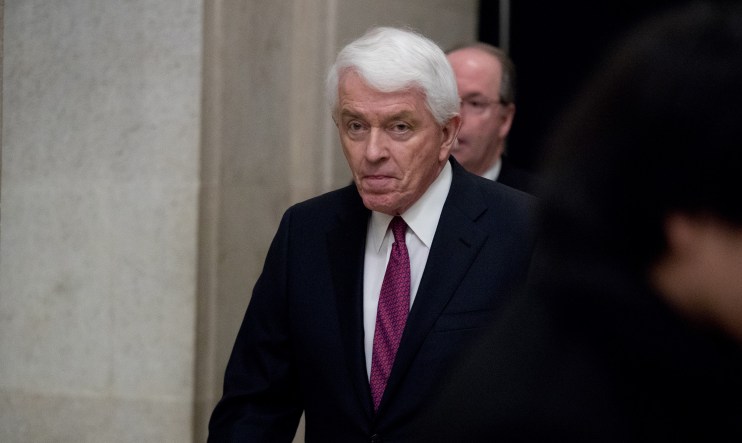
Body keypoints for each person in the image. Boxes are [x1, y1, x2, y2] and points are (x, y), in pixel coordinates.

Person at [418, 2, 742, 442]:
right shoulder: (540, 413)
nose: (462, 122)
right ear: (691, 214)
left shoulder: (699, 361)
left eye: (477, 102)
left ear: (507, 118)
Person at [207, 27, 537, 442]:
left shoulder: (523, 230)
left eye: (399, 127)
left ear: (447, 134)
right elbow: (254, 405)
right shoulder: (306, 232)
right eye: (356, 126)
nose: (372, 152)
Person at [446, 42, 536, 193]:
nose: (457, 117)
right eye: (448, 99)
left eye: (475, 103)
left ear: (505, 119)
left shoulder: (535, 204)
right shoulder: (403, 194)